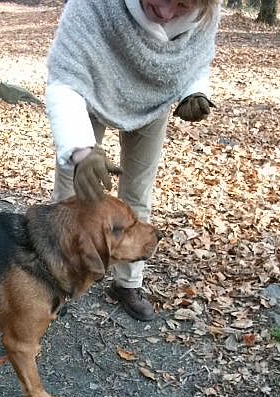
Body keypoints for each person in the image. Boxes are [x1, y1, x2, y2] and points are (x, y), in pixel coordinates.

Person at [46, 0, 220, 321]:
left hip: (152, 103)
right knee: (72, 192)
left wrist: (194, 90)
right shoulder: (93, 5)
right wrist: (81, 148)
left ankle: (128, 282)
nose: (167, 13)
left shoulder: (206, 10)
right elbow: (64, 77)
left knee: (138, 194)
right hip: (88, 93)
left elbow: (196, 60)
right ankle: (56, 281)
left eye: (182, 5)